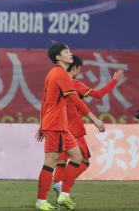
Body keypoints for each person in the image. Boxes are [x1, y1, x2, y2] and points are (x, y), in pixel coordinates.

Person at [33, 44, 105, 211]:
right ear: (58, 57)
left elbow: (45, 101)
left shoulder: (54, 73)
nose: (70, 53)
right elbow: (76, 100)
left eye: (70, 51)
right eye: (66, 52)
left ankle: (64, 195)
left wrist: (41, 124)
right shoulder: (61, 74)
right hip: (56, 125)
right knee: (50, 162)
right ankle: (41, 201)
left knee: (78, 157)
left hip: (59, 125)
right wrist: (95, 119)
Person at [52, 56, 124, 195]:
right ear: (75, 68)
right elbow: (98, 94)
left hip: (58, 127)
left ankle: (58, 185)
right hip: (74, 128)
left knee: (61, 161)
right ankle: (64, 188)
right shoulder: (74, 84)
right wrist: (114, 80)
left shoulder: (56, 83)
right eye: (79, 69)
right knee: (84, 161)